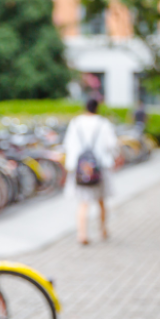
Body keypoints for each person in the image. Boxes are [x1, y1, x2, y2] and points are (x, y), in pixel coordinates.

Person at [64, 98, 119, 244]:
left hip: (80, 169)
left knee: (83, 203)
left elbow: (68, 144)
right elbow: (112, 144)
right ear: (97, 108)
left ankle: (82, 234)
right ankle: (103, 230)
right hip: (100, 168)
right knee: (101, 201)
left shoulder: (75, 123)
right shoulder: (103, 123)